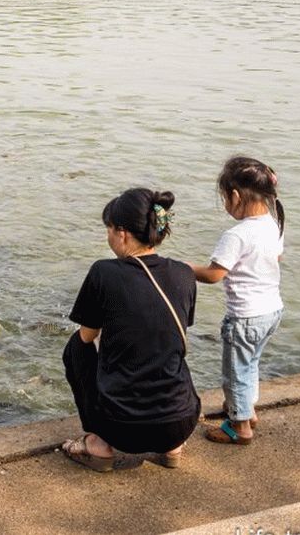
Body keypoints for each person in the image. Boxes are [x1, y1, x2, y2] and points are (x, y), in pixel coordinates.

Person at [62, 188, 200, 472]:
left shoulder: (104, 272)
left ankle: (98, 443)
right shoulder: (184, 274)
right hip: (181, 423)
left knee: (75, 347)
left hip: (121, 428)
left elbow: (87, 337)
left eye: (109, 229)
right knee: (165, 349)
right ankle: (172, 448)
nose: (108, 236)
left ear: (122, 233)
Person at [190, 157, 284, 445]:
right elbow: (276, 257)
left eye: (224, 198)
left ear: (235, 196)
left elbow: (214, 274)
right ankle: (247, 410)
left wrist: (183, 267)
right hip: (271, 310)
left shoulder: (237, 235)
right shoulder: (273, 223)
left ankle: (240, 427)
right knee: (250, 363)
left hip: (244, 316)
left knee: (235, 373)